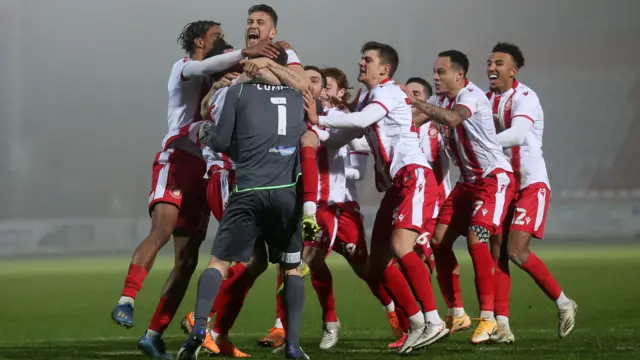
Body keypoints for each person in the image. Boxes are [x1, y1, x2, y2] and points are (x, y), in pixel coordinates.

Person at [109, 20, 278, 359]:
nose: (223, 41)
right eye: (216, 36)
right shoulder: (185, 68)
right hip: (176, 161)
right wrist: (246, 54)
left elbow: (243, 67)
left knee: (187, 260)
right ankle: (126, 300)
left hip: (204, 171)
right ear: (200, 41)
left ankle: (154, 334)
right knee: (162, 230)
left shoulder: (221, 75)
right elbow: (210, 65)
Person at [305, 41, 448, 354]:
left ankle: (435, 320)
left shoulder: (387, 92)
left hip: (414, 174)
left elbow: (357, 122)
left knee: (400, 247)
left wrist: (319, 120)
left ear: (384, 69)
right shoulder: (369, 97)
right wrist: (317, 132)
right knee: (379, 264)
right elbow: (347, 136)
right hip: (397, 185)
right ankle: (416, 324)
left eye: (367, 60)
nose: (361, 64)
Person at [178, 48, 309, 360]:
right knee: (291, 268)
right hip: (285, 193)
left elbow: (221, 141)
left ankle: (200, 325)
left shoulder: (237, 93)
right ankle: (292, 346)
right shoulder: (295, 97)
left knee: (219, 264)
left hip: (248, 189)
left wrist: (207, 134)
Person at [409, 50, 515, 344]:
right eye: (434, 71)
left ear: (459, 75)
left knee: (477, 240)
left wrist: (417, 102)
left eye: (440, 72)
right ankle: (457, 313)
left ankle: (490, 319)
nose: (435, 77)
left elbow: (453, 119)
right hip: (467, 184)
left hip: (494, 180)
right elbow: (413, 120)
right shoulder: (441, 101)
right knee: (438, 242)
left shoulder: (470, 96)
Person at [486, 42, 577, 343]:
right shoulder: (486, 100)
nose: (491, 68)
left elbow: (517, 134)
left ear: (513, 71)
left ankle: (564, 302)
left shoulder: (526, 97)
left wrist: (481, 144)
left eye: (499, 63)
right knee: (496, 251)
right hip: (503, 184)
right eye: (489, 62)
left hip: (530, 183)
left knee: (516, 251)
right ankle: (503, 326)